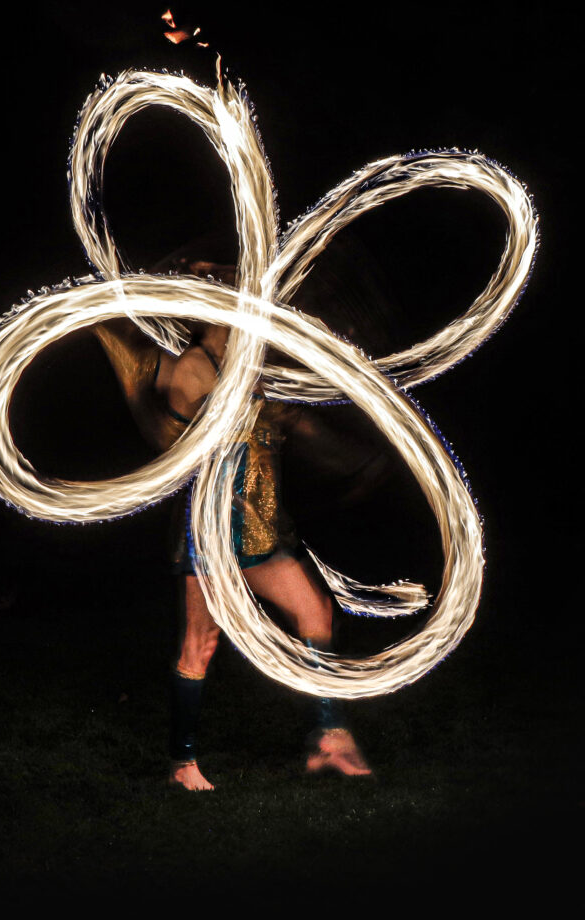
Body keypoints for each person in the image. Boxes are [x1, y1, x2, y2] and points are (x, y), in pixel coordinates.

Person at [93, 261, 375, 792]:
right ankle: (182, 763)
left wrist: (345, 446)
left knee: (314, 612)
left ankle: (329, 738)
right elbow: (212, 426)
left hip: (264, 526)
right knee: (201, 642)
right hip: (214, 528)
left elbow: (294, 421)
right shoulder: (192, 368)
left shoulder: (251, 364)